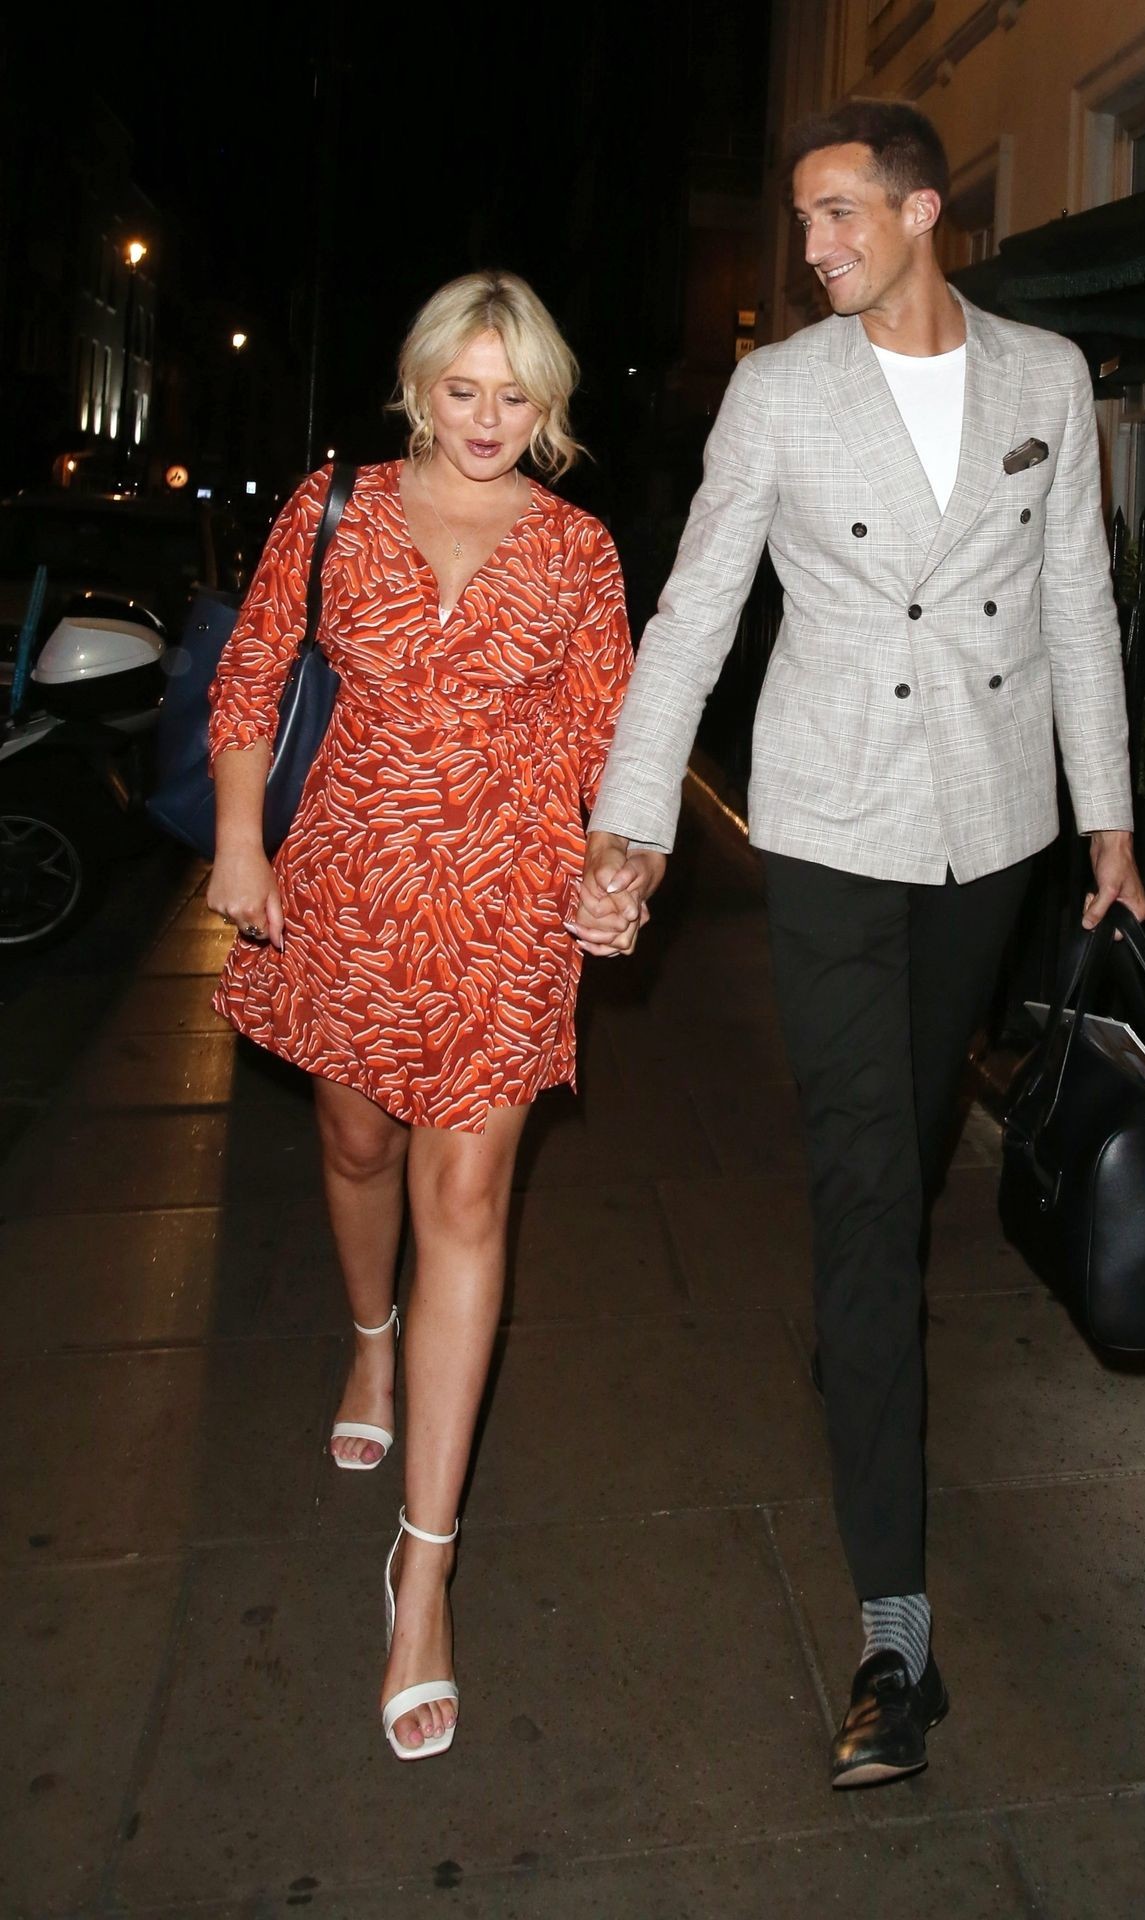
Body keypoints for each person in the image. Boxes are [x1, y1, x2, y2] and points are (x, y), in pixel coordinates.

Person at [572, 102, 1145, 1789]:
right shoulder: (778, 391)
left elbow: (1076, 599)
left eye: (837, 214)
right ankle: (895, 1638)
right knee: (861, 1182)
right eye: (802, 218)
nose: (811, 245)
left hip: (992, 824)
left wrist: (1107, 818)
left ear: (919, 210)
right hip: (830, 817)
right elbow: (697, 604)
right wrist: (633, 821)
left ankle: (861, 1316)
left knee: (902, 1142)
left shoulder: (1044, 377)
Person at [206, 270, 633, 1761]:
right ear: (419, 386)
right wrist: (241, 840)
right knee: (358, 1148)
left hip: (509, 901)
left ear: (549, 404)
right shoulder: (336, 508)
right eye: (463, 390)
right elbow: (253, 671)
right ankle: (370, 1340)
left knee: (466, 1195)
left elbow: (608, 745)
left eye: (516, 396)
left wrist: (616, 873)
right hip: (348, 880)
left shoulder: (578, 550)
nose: (487, 420)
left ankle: (426, 1570)